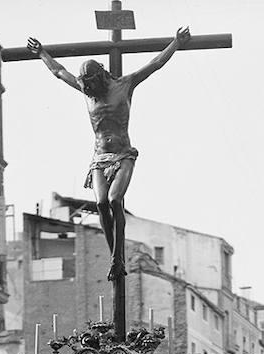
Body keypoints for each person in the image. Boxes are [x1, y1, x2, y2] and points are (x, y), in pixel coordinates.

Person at [26, 27, 190, 281]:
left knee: (115, 200)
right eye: (86, 86)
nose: (88, 89)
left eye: (91, 84)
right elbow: (59, 72)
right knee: (101, 203)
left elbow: (155, 63)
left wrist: (176, 43)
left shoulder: (125, 85)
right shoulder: (86, 91)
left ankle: (118, 257)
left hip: (123, 155)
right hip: (99, 159)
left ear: (101, 76)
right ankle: (114, 256)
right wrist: (42, 53)